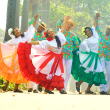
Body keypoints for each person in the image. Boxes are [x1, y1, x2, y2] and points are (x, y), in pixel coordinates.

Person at [17, 16, 70, 94]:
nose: (51, 33)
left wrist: (66, 20)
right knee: (50, 73)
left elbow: (62, 28)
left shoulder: (58, 37)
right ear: (48, 36)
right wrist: (28, 43)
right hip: (52, 59)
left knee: (58, 72)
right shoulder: (47, 42)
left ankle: (58, 89)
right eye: (49, 33)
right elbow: (38, 42)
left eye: (51, 31)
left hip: (59, 58)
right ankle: (48, 88)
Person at [0, 14, 38, 92]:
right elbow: (5, 45)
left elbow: (31, 28)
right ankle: (6, 86)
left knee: (21, 72)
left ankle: (16, 88)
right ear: (14, 34)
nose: (16, 32)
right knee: (13, 70)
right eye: (15, 32)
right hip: (16, 57)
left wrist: (35, 19)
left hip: (24, 57)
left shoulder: (25, 37)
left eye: (17, 30)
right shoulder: (14, 40)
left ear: (19, 30)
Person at [71, 25, 106, 94]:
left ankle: (88, 89)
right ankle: (79, 83)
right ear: (85, 34)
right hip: (91, 57)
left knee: (95, 74)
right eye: (87, 32)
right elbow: (84, 48)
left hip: (96, 57)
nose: (88, 32)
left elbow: (94, 27)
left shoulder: (96, 37)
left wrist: (96, 18)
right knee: (88, 72)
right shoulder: (86, 40)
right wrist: (87, 50)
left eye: (89, 30)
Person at [56, 16, 80, 94]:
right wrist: (63, 19)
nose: (68, 26)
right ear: (65, 24)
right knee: (61, 71)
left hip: (69, 56)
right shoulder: (61, 31)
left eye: (70, 25)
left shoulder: (73, 35)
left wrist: (71, 49)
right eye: (67, 24)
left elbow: (77, 45)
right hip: (61, 55)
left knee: (68, 72)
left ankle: (64, 88)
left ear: (71, 27)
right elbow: (58, 25)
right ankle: (59, 86)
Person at [28, 15, 47, 93]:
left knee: (36, 70)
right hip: (30, 52)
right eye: (39, 26)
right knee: (30, 69)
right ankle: (29, 87)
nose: (39, 28)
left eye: (41, 28)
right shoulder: (34, 32)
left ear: (43, 29)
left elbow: (44, 46)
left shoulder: (43, 37)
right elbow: (31, 25)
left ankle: (35, 88)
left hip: (38, 54)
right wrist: (35, 19)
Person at [94, 13, 110, 95]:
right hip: (101, 57)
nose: (108, 30)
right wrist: (96, 18)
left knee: (109, 74)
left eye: (109, 29)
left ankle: (106, 90)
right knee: (101, 72)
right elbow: (96, 28)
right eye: (108, 29)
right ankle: (102, 90)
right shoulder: (101, 35)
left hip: (109, 58)